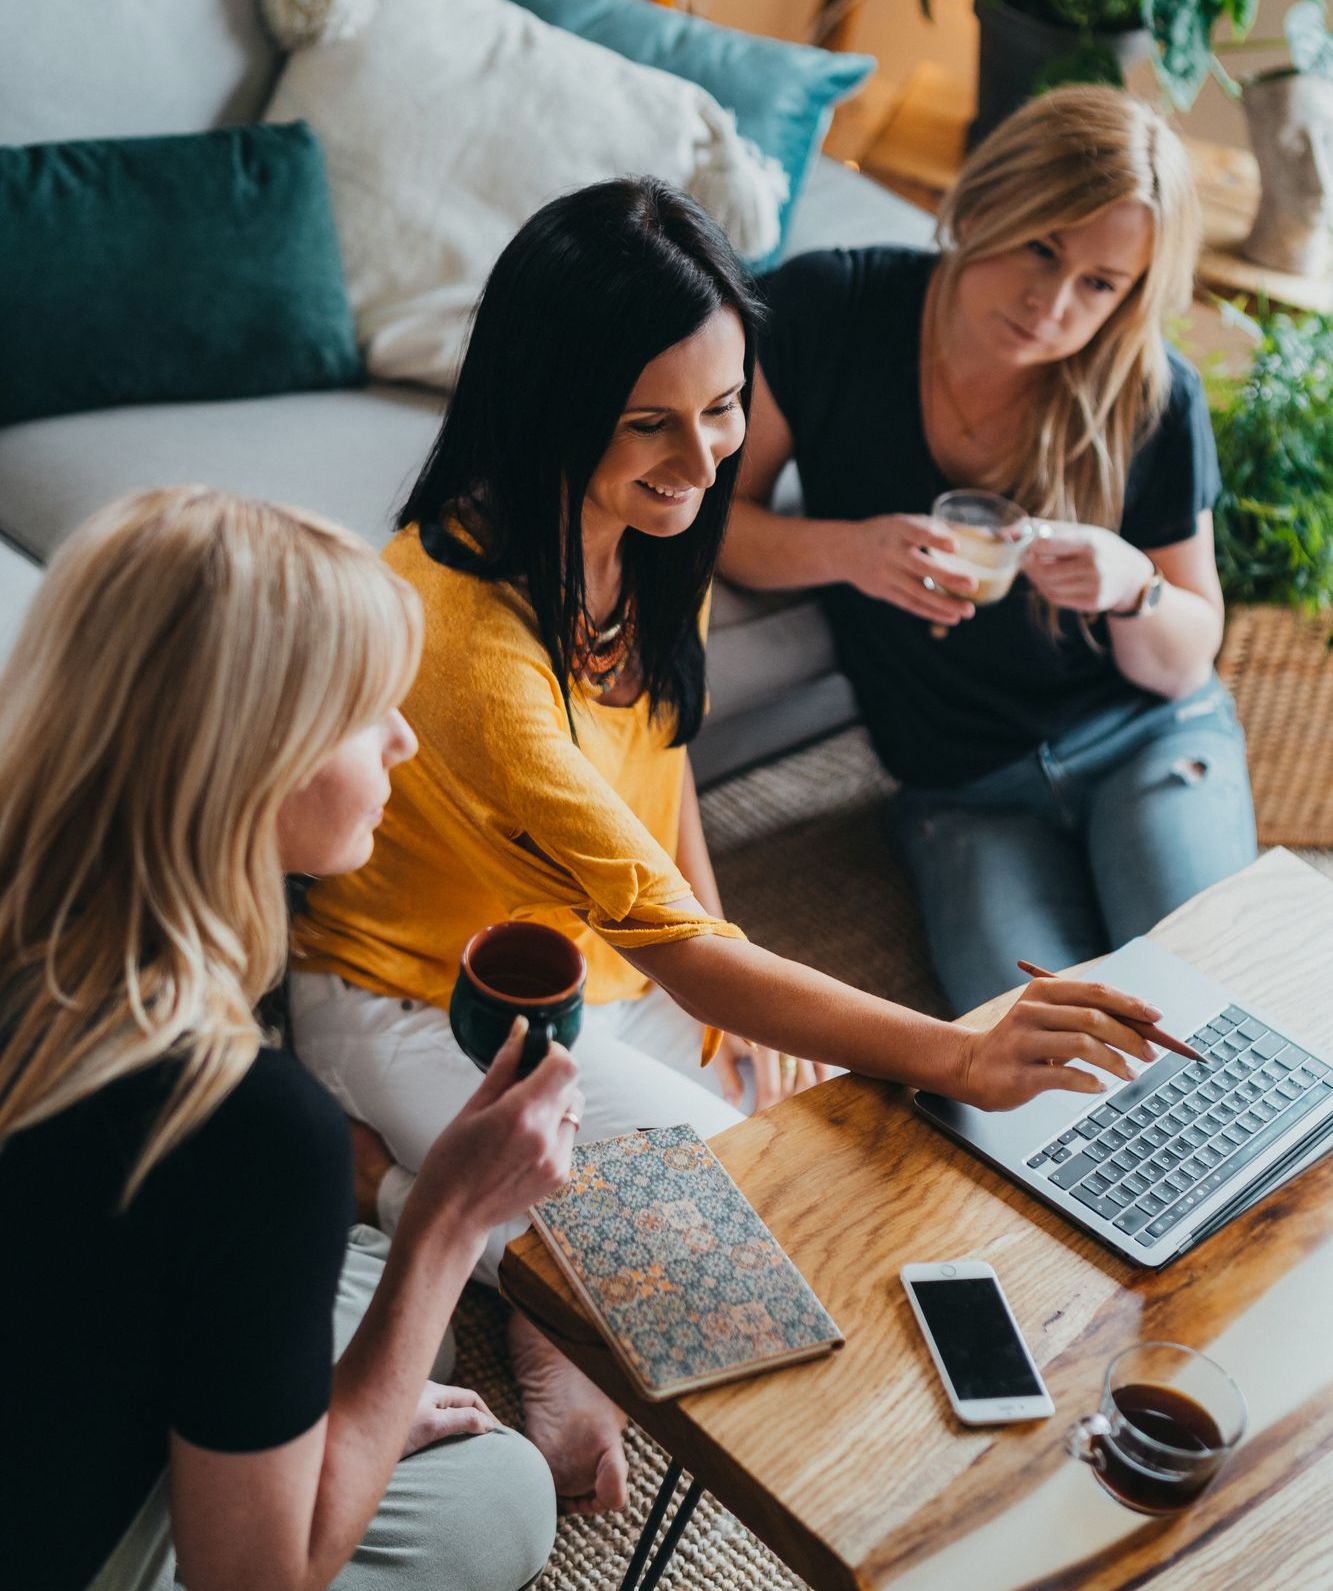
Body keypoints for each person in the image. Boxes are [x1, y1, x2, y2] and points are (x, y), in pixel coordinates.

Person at [289, 175, 1166, 1516]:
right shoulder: (464, 635)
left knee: (806, 1163)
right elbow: (691, 962)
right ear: (551, 403)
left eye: (724, 407)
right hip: (426, 999)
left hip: (614, 965)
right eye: (652, 425)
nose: (706, 466)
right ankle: (439, 1212)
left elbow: (659, 759)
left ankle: (544, 1250)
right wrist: (959, 1048)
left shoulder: (640, 528)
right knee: (741, 1275)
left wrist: (730, 938)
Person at [0, 487, 574, 1591]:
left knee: (347, 1290)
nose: (405, 740)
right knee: (495, 1490)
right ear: (252, 756)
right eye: (370, 712)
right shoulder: (250, 1124)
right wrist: (448, 1220)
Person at [720, 86, 1258, 1018]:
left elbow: (1186, 658)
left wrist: (1133, 587)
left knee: (1216, 1016)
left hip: (1144, 738)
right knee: (1029, 1065)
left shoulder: (1151, 394)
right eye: (1041, 247)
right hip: (963, 788)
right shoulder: (828, 309)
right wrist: (852, 551)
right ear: (982, 205)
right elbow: (720, 526)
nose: (1051, 305)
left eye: (1099, 283)